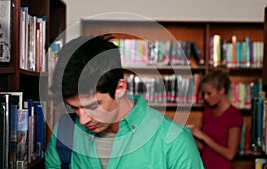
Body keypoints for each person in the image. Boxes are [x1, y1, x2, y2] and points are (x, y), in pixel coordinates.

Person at [45, 34, 204, 169]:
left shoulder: (175, 141)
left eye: (92, 106)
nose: (83, 119)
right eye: (74, 108)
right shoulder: (64, 133)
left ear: (120, 87)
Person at [191, 66, 243, 169]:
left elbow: (230, 154)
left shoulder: (234, 115)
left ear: (222, 90)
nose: (205, 97)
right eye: (204, 93)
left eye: (209, 93)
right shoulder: (207, 112)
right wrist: (190, 138)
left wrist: (203, 137)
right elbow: (206, 148)